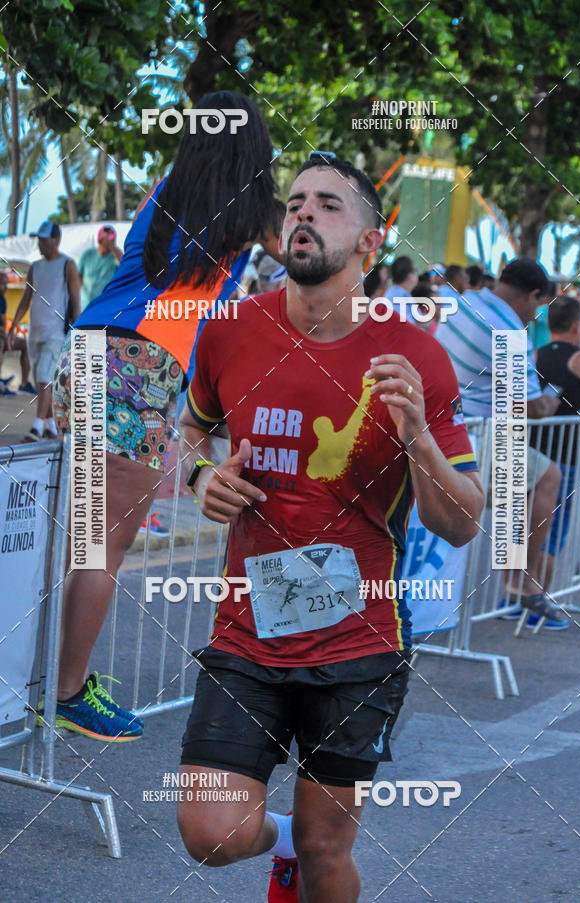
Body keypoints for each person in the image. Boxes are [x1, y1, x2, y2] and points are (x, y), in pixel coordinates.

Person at [176, 154, 483, 903]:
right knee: (210, 832)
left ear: (371, 245)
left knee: (326, 844)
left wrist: (419, 441)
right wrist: (199, 476)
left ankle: (302, 851)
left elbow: (464, 519)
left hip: (359, 640)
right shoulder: (228, 333)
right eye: (296, 201)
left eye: (329, 205)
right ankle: (278, 842)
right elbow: (186, 429)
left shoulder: (414, 356)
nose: (304, 214)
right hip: (245, 630)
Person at [46, 90, 283, 742]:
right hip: (140, 365)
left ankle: (43, 673)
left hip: (88, 350)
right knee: (104, 544)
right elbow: (308, 254)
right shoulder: (255, 210)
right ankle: (66, 692)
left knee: (75, 536)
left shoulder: (166, 189)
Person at [435, 258, 567, 627]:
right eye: (539, 307)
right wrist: (549, 401)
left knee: (522, 485)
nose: (536, 316)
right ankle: (521, 586)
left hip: (440, 427)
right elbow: (528, 405)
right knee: (547, 478)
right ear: (534, 295)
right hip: (473, 440)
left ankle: (515, 580)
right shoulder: (508, 329)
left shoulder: (462, 302)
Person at [532, 295, 580, 588]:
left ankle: (510, 601)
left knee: (525, 529)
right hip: (565, 457)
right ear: (577, 325)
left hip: (531, 454)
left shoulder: (533, 356)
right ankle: (535, 604)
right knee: (553, 532)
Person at [7, 223, 80, 439]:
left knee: (44, 376)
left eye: (44, 239)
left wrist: (77, 331)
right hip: (35, 332)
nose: (40, 243)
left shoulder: (68, 265)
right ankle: (50, 425)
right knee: (42, 378)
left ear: (56, 240)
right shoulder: (35, 267)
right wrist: (13, 327)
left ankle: (37, 427)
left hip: (56, 332)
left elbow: (75, 301)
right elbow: (25, 299)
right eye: (39, 239)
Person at [78, 225, 123, 311]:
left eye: (113, 237)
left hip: (107, 308)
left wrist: (112, 247)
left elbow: (125, 265)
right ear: (100, 239)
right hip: (87, 307)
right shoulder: (87, 255)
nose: (111, 240)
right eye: (108, 237)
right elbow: (78, 278)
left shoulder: (115, 257)